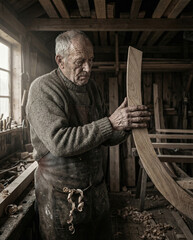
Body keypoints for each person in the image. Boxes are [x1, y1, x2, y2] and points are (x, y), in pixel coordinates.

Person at [26, 30, 150, 240]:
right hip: (61, 196)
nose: (88, 68)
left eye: (91, 60)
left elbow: (104, 135)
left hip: (96, 191)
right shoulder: (43, 89)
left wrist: (126, 125)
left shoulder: (91, 87)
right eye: (80, 61)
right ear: (60, 60)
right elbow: (60, 142)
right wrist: (111, 122)